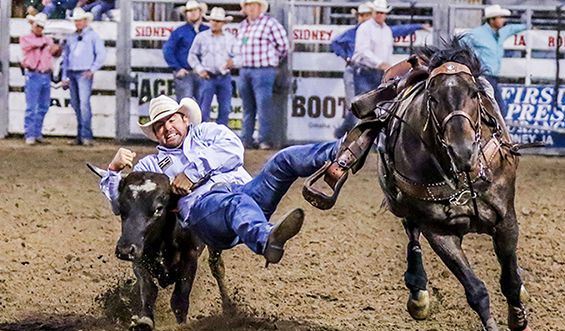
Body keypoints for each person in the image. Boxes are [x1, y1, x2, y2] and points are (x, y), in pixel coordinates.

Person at [99, 95, 341, 264]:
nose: (167, 128)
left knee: (283, 160)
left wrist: (191, 174)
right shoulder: (151, 165)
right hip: (205, 211)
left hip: (247, 193)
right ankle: (267, 238)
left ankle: (344, 150)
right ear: (155, 135)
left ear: (185, 119)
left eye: (171, 120)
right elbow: (124, 205)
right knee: (232, 203)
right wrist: (113, 170)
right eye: (159, 126)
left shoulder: (207, 132)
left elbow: (233, 149)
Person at [331, 0, 429, 137]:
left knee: (376, 105)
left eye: (382, 13)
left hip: (377, 73)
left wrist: (385, 65)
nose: (380, 15)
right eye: (378, 12)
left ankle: (346, 134)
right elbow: (363, 51)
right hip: (365, 71)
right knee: (364, 106)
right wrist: (380, 63)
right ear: (373, 13)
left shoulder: (386, 30)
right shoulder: (365, 28)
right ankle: (355, 138)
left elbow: (386, 51)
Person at [233, 0, 288, 150]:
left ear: (259, 7)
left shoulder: (270, 23)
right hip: (245, 70)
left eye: (253, 5)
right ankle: (247, 139)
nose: (250, 8)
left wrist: (273, 61)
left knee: (263, 106)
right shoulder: (243, 26)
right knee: (248, 107)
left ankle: (264, 140)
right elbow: (237, 48)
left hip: (263, 70)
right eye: (248, 5)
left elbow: (283, 45)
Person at [461, 4, 527, 115]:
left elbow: (512, 29)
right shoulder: (477, 33)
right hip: (483, 76)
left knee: (498, 108)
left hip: (493, 78)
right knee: (496, 108)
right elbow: (461, 43)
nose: (503, 20)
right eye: (500, 18)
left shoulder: (500, 33)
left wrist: (528, 25)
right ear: (492, 20)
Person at [61, 8, 106, 146]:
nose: (78, 23)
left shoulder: (93, 36)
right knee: (77, 104)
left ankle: (85, 135)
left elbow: (101, 54)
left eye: (79, 20)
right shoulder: (71, 37)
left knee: (83, 105)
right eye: (76, 21)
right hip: (73, 72)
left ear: (85, 21)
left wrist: (92, 69)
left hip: (83, 73)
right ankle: (82, 136)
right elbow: (66, 58)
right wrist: (64, 75)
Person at [188, 7, 236, 126]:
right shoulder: (201, 37)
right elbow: (192, 55)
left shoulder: (230, 38)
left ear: (223, 23)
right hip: (207, 76)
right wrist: (200, 70)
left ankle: (221, 136)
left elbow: (239, 55)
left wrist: (233, 62)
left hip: (224, 76)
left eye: (218, 21)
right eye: (213, 20)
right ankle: (203, 135)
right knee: (204, 109)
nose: (215, 23)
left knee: (225, 109)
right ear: (210, 21)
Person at [20, 13, 61, 145]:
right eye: (38, 26)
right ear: (33, 25)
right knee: (32, 107)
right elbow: (33, 45)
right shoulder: (26, 38)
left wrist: (57, 48)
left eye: (41, 27)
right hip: (34, 74)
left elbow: (55, 52)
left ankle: (36, 133)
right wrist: (48, 44)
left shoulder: (45, 40)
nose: (39, 29)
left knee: (43, 106)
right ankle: (30, 134)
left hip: (45, 74)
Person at [163, 0, 209, 102]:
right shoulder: (179, 31)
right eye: (189, 11)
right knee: (185, 105)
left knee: (204, 106)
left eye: (195, 10)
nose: (192, 13)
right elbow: (168, 50)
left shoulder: (207, 31)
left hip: (203, 73)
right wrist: (177, 68)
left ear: (200, 12)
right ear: (186, 14)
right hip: (185, 73)